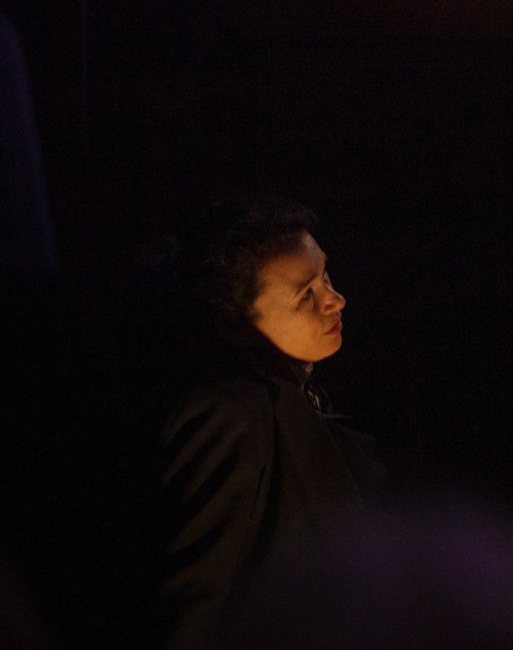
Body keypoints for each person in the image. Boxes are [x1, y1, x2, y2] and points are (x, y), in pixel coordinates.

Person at [148, 196, 380, 649]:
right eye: (305, 295)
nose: (335, 299)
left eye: (326, 277)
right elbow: (191, 609)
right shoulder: (227, 417)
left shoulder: (301, 402)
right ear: (237, 324)